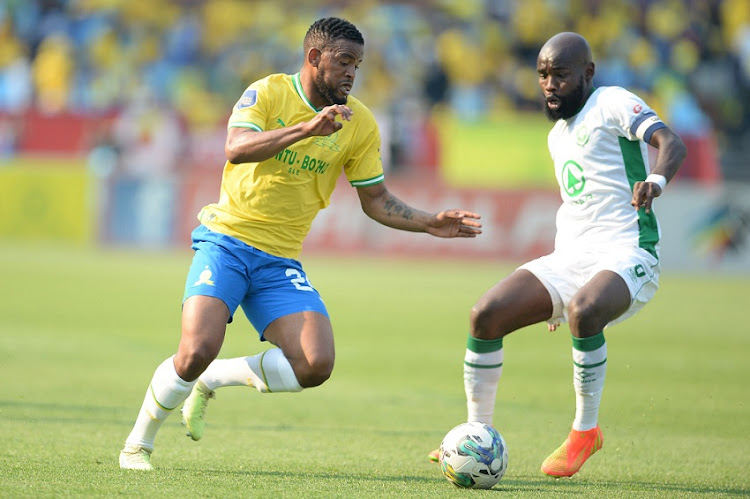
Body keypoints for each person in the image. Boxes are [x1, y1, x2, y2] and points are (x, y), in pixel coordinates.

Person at [118, 17, 482, 471]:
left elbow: (376, 199)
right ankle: (137, 445)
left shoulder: (359, 123)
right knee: (194, 350)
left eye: (358, 65)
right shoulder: (268, 92)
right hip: (227, 241)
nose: (352, 73)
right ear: (315, 58)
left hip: (279, 261)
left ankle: (215, 379)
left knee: (315, 364)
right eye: (344, 62)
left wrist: (430, 222)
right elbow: (236, 146)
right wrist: (307, 129)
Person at [428, 32, 686, 477]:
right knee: (485, 314)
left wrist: (656, 182)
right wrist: (555, 290)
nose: (549, 84)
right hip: (572, 257)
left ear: (587, 73)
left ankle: (585, 432)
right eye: (543, 75)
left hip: (629, 251)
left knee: (585, 310)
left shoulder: (612, 102)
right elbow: (578, 209)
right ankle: (475, 433)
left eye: (560, 75)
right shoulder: (557, 135)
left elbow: (671, 143)